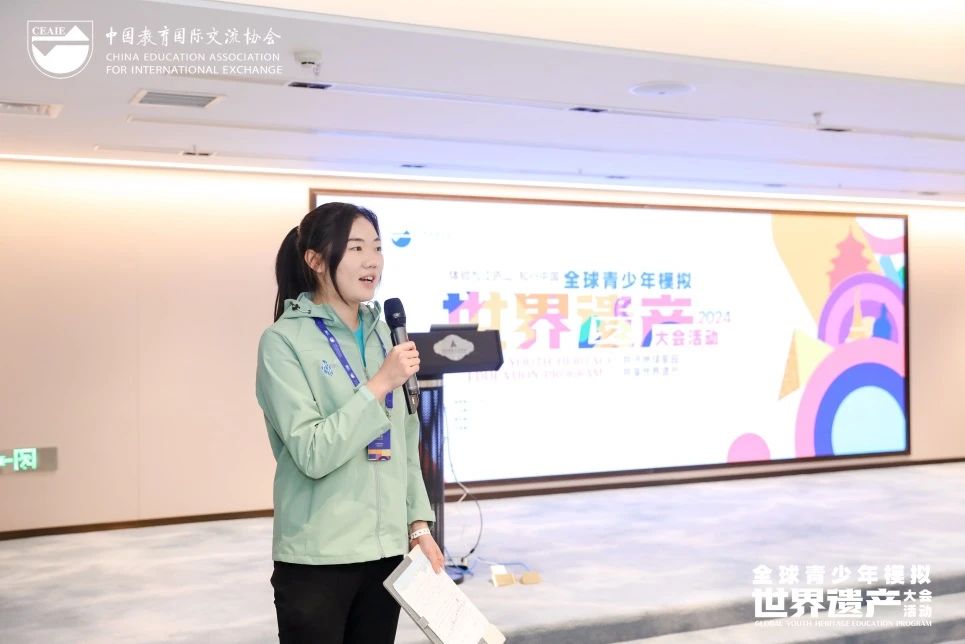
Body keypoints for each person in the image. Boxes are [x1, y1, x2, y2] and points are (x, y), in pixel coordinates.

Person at [255, 202, 445, 643]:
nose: (372, 261)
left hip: (384, 552)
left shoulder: (384, 335)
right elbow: (312, 453)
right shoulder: (282, 341)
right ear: (316, 260)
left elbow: (405, 438)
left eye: (377, 247)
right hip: (318, 556)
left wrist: (418, 523)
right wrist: (378, 385)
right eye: (356, 247)